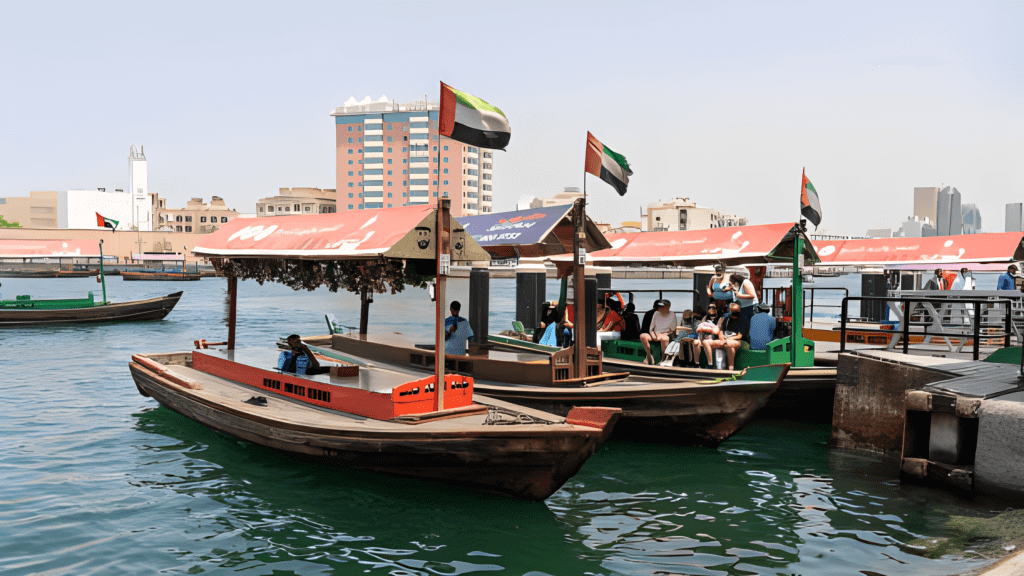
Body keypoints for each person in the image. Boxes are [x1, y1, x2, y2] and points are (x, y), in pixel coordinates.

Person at [706, 302, 746, 370]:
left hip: (735, 340)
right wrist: (721, 337)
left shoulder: (742, 319)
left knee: (729, 345)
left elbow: (740, 336)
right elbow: (721, 331)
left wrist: (729, 339)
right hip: (725, 340)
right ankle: (713, 365)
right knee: (709, 342)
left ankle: (730, 366)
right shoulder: (727, 319)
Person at [640, 299, 678, 364]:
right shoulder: (656, 313)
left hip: (666, 334)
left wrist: (663, 334)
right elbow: (651, 328)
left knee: (664, 338)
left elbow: (673, 330)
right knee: (643, 336)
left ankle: (663, 359)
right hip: (655, 334)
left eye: (662, 306)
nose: (660, 308)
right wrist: (653, 335)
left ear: (668, 306)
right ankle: (649, 356)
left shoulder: (672, 315)